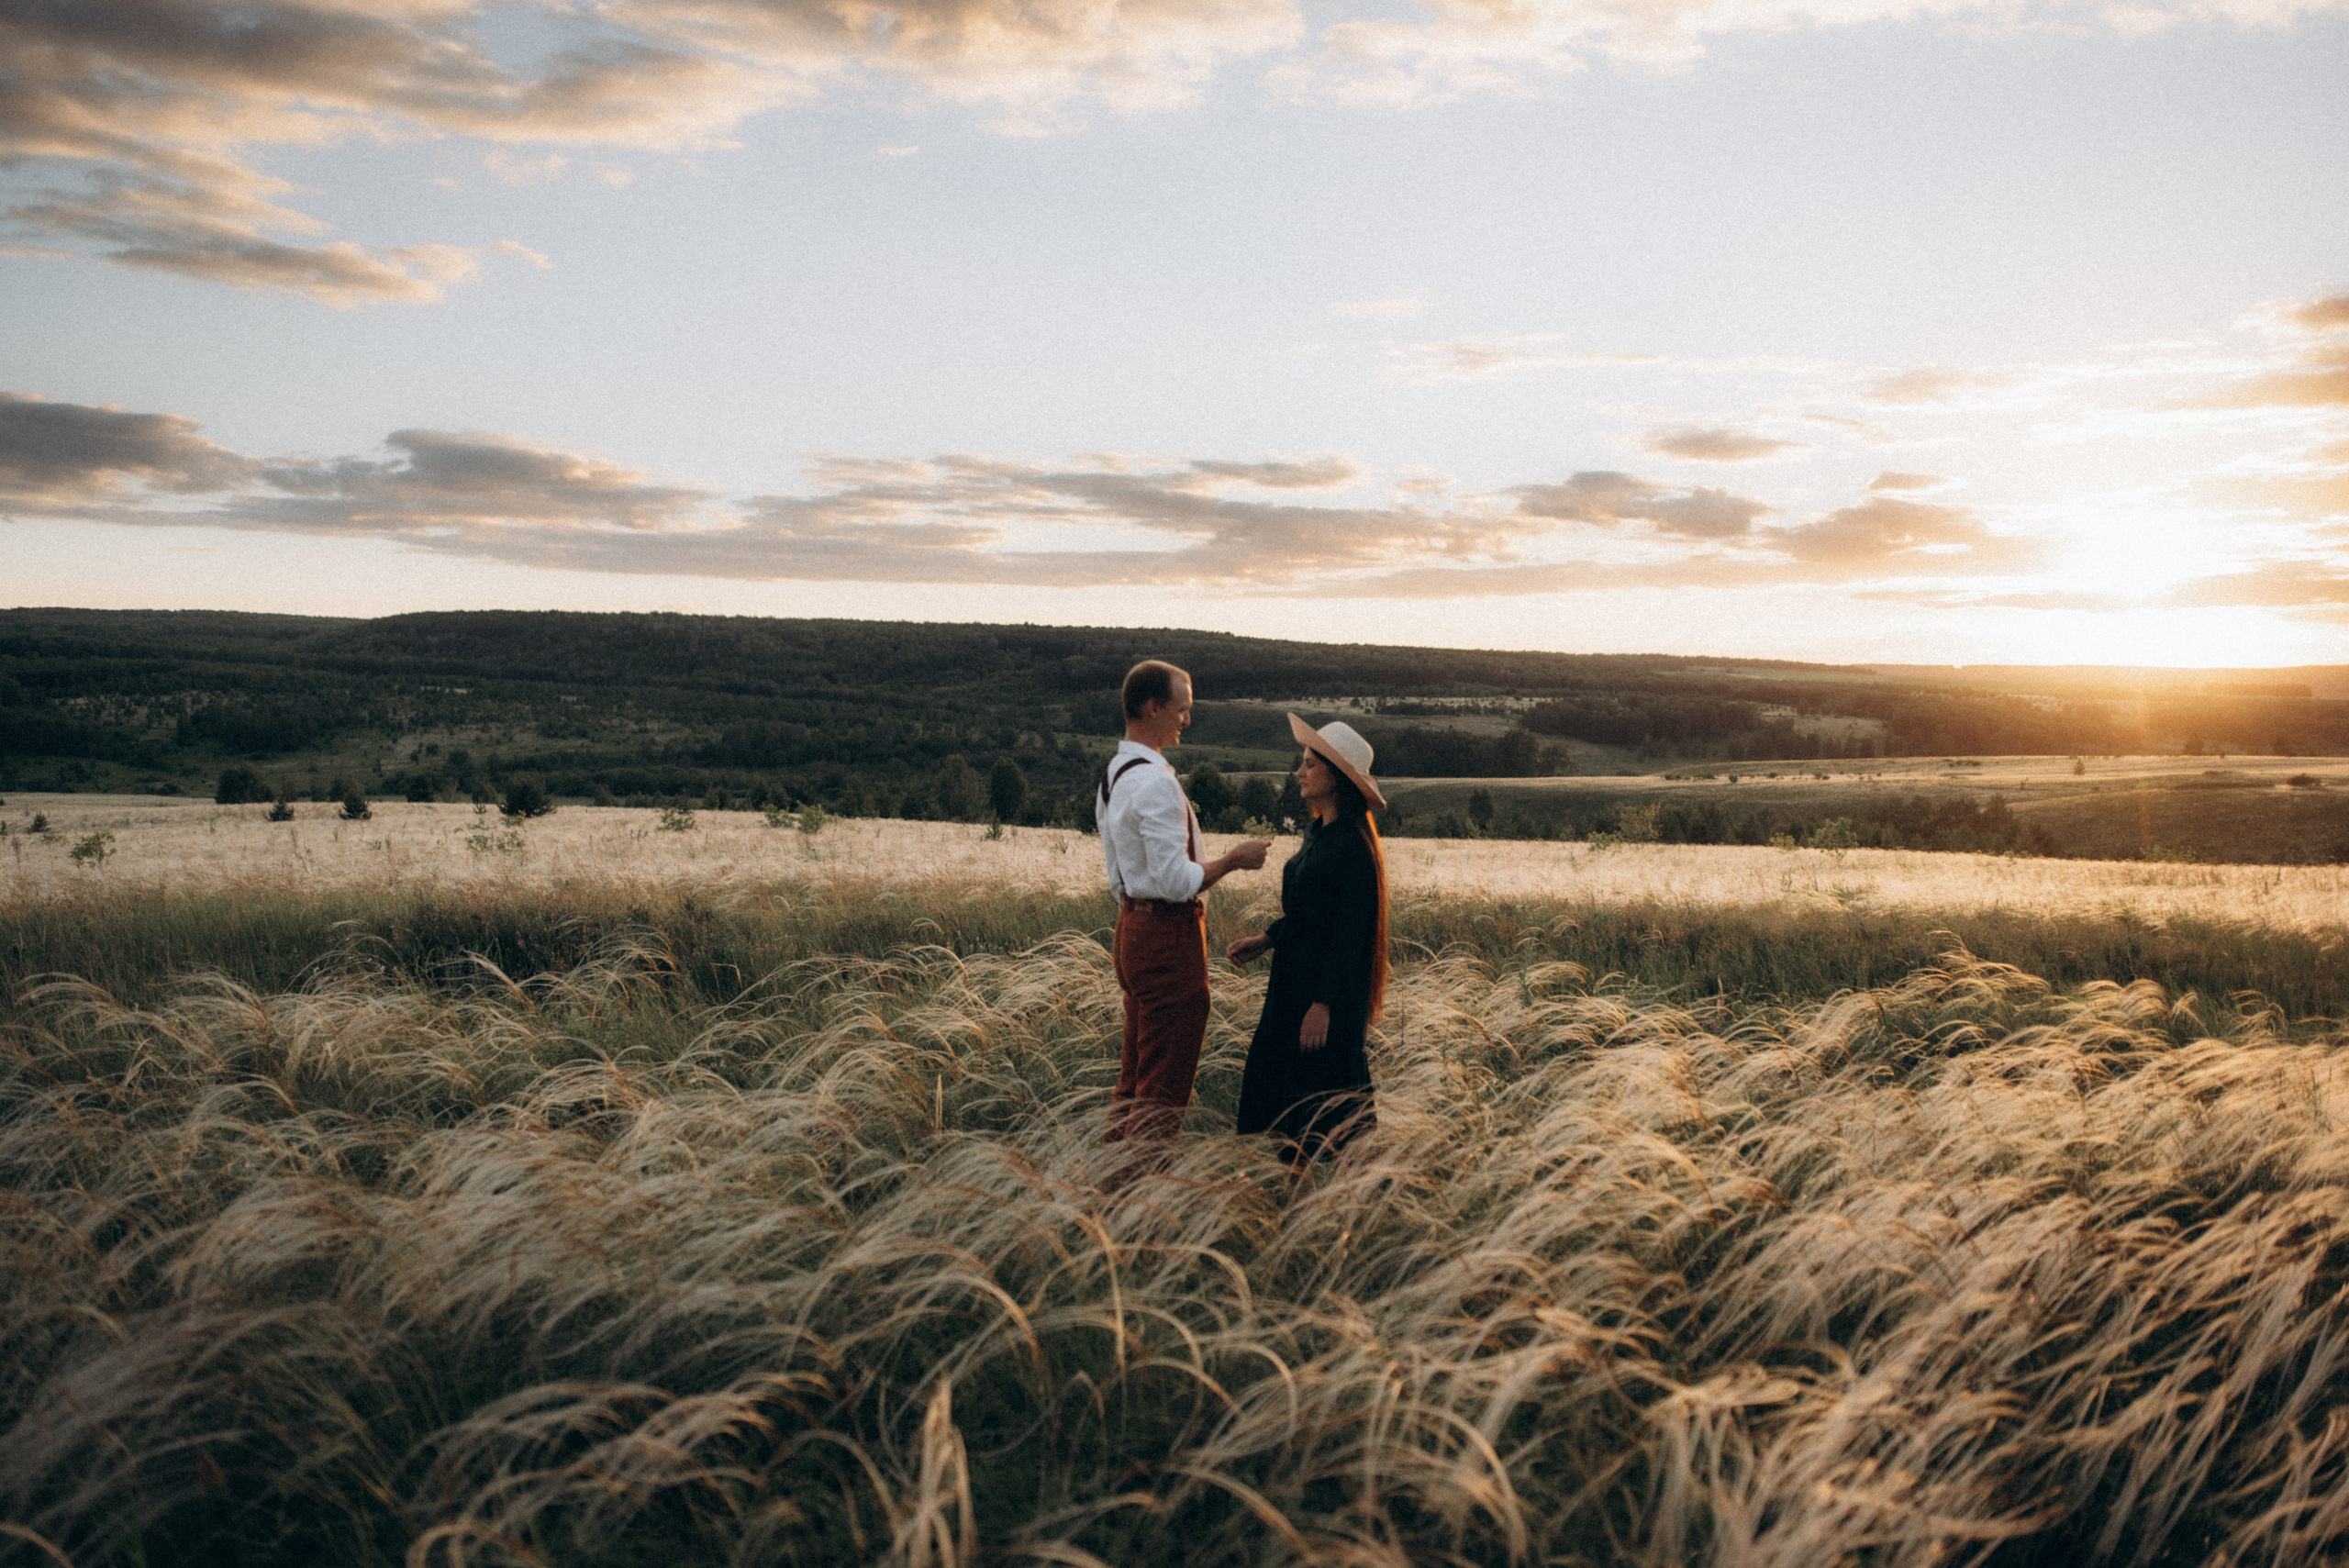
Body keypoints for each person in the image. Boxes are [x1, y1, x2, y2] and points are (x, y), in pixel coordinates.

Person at [1097, 660, 1270, 1165]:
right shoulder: (1154, 782)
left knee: (1135, 1079)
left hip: (1132, 929)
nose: (1187, 720)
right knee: (1163, 1092)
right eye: (1181, 710)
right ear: (1152, 708)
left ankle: (1112, 1193)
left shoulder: (1115, 774)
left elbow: (1118, 874)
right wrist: (1234, 861)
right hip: (1167, 939)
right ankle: (1140, 1213)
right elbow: (1176, 881)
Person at [1226, 714, 1388, 1169]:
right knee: (1283, 1106)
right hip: (1291, 988)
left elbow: (1351, 933)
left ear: (1335, 778)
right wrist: (1267, 937)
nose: (1299, 771)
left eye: (1309, 764)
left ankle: (1362, 1204)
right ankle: (1303, 1208)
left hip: (1323, 998)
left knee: (1338, 1113)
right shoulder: (1318, 833)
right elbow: (1310, 914)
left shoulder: (1353, 847)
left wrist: (1324, 1004)